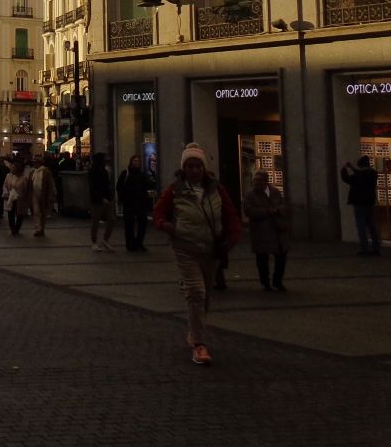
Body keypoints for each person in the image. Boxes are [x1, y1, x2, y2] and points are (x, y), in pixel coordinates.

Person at [153, 144, 242, 366]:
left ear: (204, 168)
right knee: (196, 292)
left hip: (210, 249)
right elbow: (158, 214)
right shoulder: (175, 190)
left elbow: (231, 216)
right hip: (185, 248)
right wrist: (169, 227)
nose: (194, 170)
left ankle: (194, 332)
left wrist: (231, 239)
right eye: (190, 166)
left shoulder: (217, 190)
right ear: (184, 169)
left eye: (198, 166)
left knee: (205, 295)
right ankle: (199, 344)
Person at [242, 170, 290, 292]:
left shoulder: (275, 192)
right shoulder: (250, 195)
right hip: (261, 230)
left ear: (265, 181)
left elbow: (283, 205)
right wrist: (267, 212)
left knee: (281, 255)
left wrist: (278, 210)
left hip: (277, 229)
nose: (256, 183)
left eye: (259, 180)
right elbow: (249, 211)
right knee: (262, 257)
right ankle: (265, 282)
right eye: (254, 180)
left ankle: (277, 280)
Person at [341, 156, 381, 255]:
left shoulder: (359, 176)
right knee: (372, 226)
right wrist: (352, 168)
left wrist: (343, 169)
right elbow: (361, 173)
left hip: (359, 203)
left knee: (361, 226)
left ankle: (364, 248)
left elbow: (347, 179)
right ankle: (376, 248)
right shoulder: (373, 174)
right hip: (370, 202)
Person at [116, 155, 153, 252]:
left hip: (140, 202)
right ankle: (130, 244)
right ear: (131, 162)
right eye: (134, 161)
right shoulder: (126, 173)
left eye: (138, 161)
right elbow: (119, 186)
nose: (136, 163)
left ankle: (138, 242)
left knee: (142, 223)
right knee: (129, 225)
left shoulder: (142, 174)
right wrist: (123, 198)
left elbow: (147, 186)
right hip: (129, 203)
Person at [88, 152, 115, 251]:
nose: (106, 160)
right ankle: (94, 242)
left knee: (111, 219)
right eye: (104, 159)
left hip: (107, 199)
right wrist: (101, 197)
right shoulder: (93, 171)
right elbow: (93, 187)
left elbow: (107, 184)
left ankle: (105, 240)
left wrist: (109, 196)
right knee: (95, 221)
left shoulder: (104, 171)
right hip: (97, 200)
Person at [30, 154, 57, 237]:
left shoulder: (46, 171)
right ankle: (38, 228)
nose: (35, 164)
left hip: (43, 194)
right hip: (34, 194)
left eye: (36, 162)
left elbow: (50, 184)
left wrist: (52, 194)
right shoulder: (33, 172)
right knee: (36, 212)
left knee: (42, 212)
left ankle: (41, 228)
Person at [3, 158, 31, 236]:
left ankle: (17, 228)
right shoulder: (8, 176)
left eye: (13, 168)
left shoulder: (23, 178)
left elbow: (25, 189)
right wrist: (5, 193)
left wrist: (21, 196)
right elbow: (5, 185)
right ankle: (12, 228)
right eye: (12, 167)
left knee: (19, 214)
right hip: (10, 198)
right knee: (10, 214)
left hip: (19, 199)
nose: (12, 169)